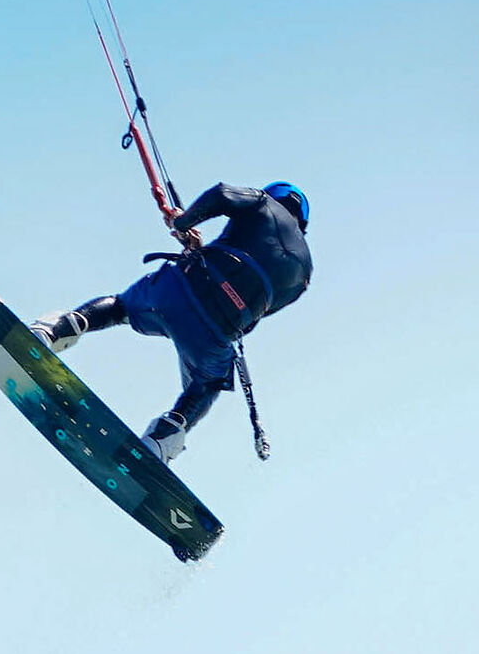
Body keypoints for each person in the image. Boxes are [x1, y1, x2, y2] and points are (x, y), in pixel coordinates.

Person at [32, 181, 312, 462]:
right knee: (207, 384)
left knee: (120, 307)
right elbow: (248, 306)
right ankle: (162, 439)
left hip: (177, 290)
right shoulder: (303, 276)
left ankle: (53, 332)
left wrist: (183, 221)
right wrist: (199, 249)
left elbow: (223, 195)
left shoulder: (262, 202)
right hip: (216, 332)